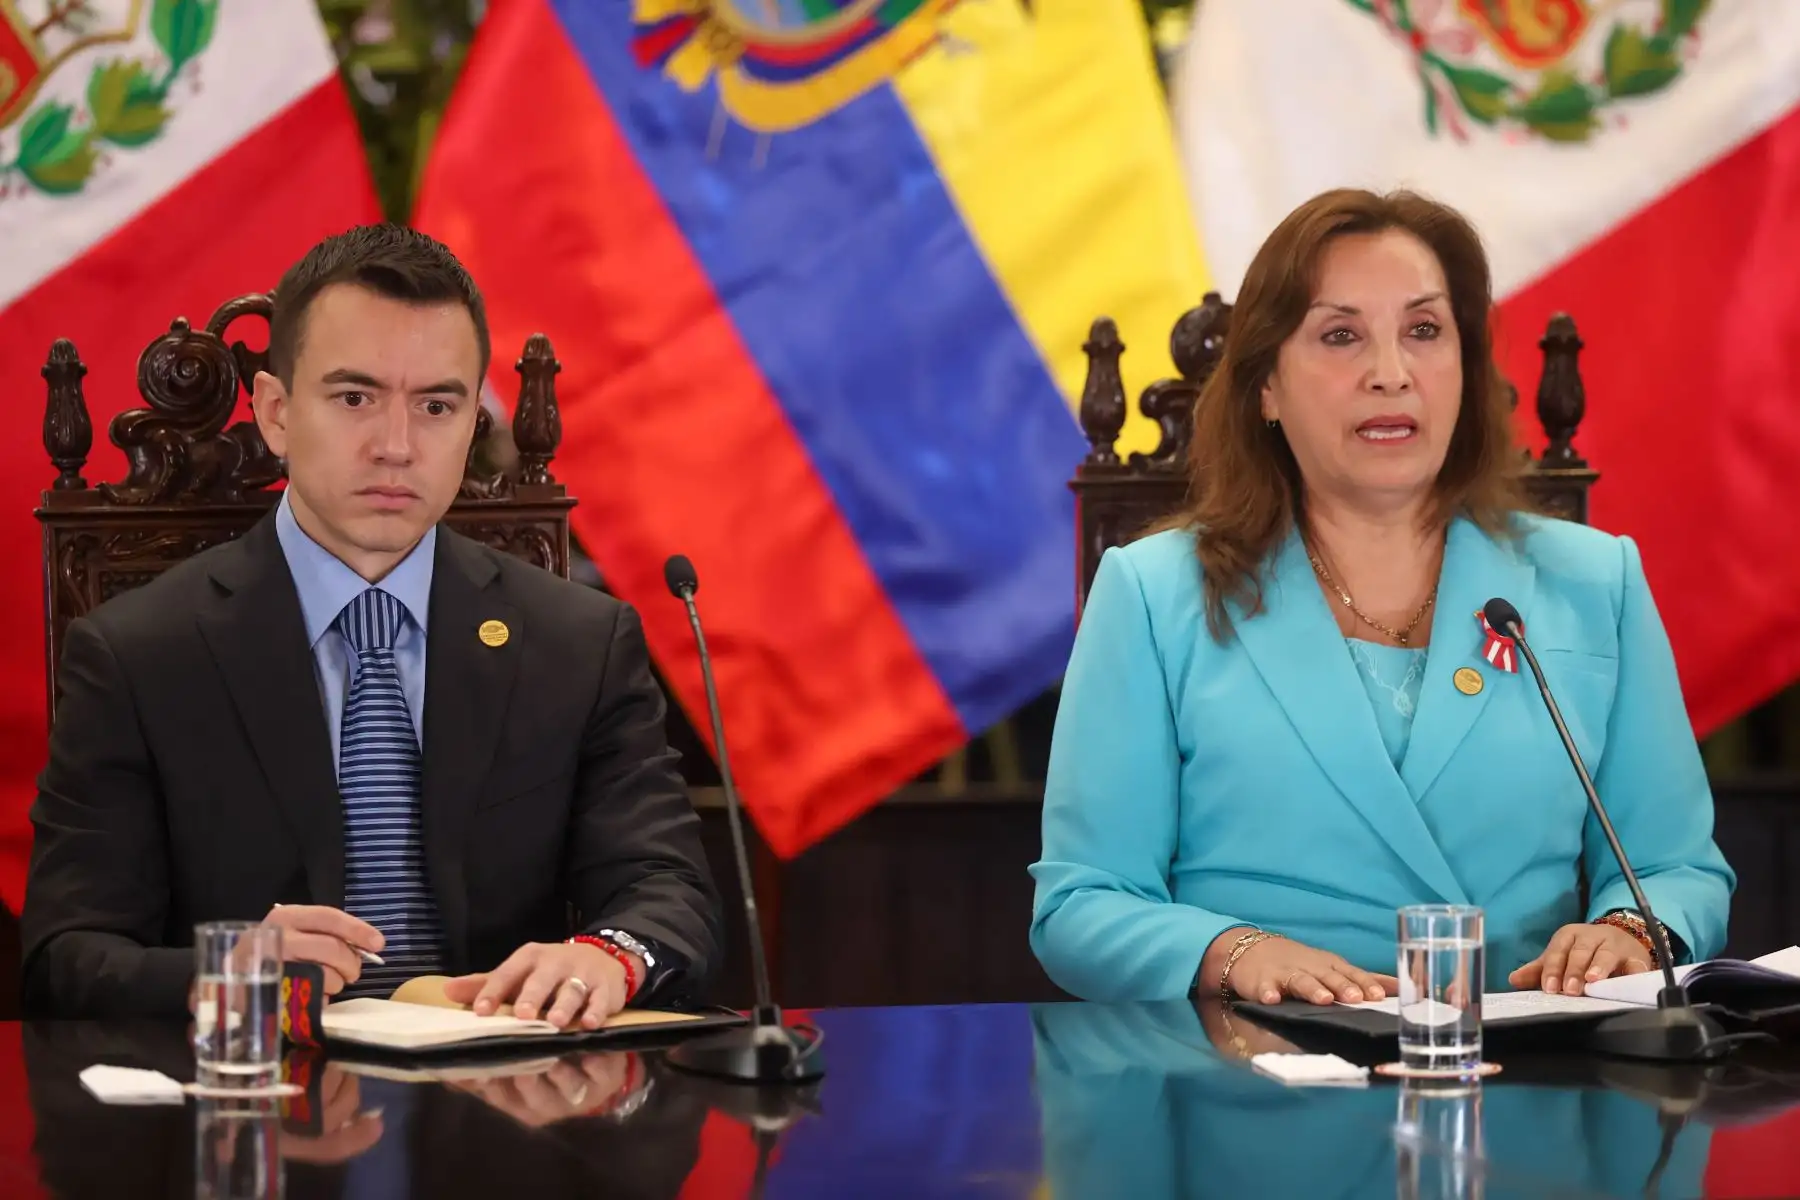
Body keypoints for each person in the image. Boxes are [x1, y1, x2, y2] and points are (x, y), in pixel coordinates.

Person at [1029, 188, 1734, 1006]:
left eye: (1425, 331)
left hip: (1525, 1058)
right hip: (1257, 1064)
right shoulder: (1154, 595)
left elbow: (1675, 868)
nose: (1392, 374)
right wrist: (1232, 953)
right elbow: (1082, 904)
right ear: (1266, 387)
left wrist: (1629, 930)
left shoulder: (1592, 580)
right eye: (1341, 336)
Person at [22, 224, 722, 1023]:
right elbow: (64, 957)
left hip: (504, 1080)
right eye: (355, 398)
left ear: (472, 424)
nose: (396, 446)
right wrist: (223, 970)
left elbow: (668, 891)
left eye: (436, 406)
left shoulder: (578, 643)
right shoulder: (139, 654)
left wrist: (608, 957)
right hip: (260, 1086)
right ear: (277, 413)